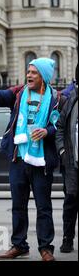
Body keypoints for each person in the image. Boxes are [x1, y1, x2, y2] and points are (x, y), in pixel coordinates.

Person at [0, 58, 59, 261]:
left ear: (44, 76)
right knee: (18, 206)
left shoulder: (56, 98)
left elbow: (59, 126)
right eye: (28, 71)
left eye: (34, 72)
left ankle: (45, 248)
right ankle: (19, 245)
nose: (29, 75)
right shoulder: (18, 93)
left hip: (41, 162)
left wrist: (47, 131)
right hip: (18, 159)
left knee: (44, 207)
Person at [55, 68, 78, 254]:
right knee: (71, 200)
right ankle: (67, 239)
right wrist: (62, 151)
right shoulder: (71, 101)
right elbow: (60, 128)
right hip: (72, 163)